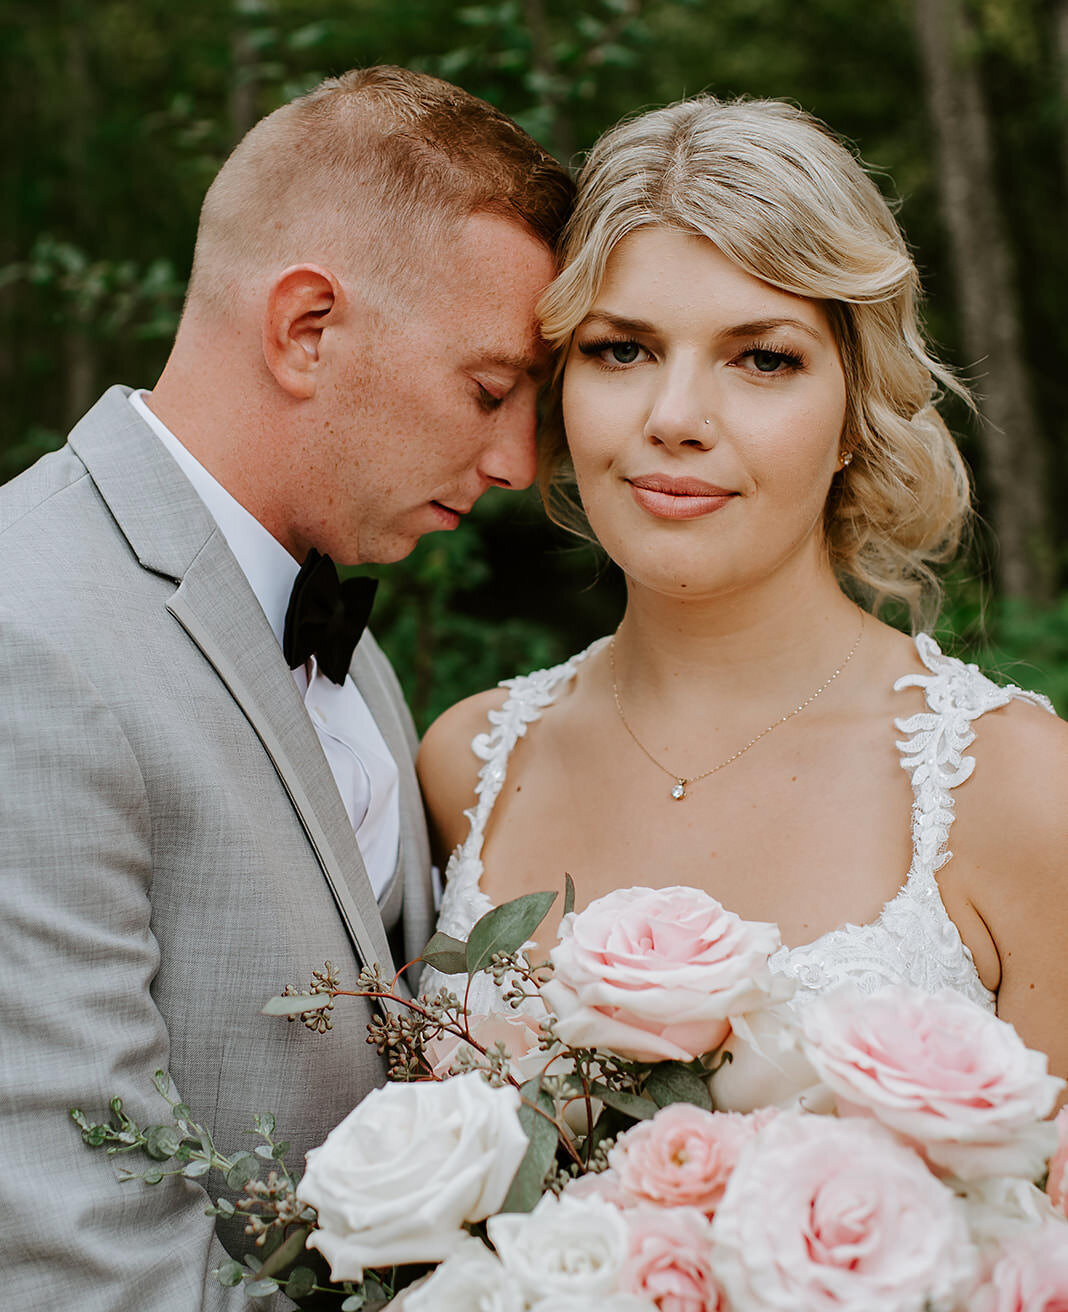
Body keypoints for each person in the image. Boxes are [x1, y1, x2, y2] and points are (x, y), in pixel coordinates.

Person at [0, 65, 574, 1309]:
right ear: (307, 326)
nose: (517, 458)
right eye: (491, 388)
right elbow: (76, 1264)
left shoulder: (350, 653)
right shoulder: (26, 639)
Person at [420, 94, 1068, 1088]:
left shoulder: (1024, 795)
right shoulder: (466, 768)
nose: (675, 416)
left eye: (762, 358)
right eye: (620, 350)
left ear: (855, 407)